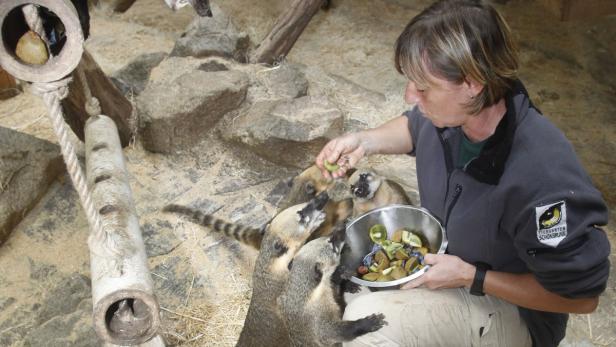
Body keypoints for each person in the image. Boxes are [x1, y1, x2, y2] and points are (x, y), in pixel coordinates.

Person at [315, 1, 611, 346]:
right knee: (346, 295)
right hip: (455, 268)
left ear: (472, 83)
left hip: (514, 310)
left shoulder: (543, 179)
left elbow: (581, 298)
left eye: (422, 88)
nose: (411, 95)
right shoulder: (455, 115)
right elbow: (414, 127)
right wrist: (364, 141)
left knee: (367, 330)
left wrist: (473, 276)